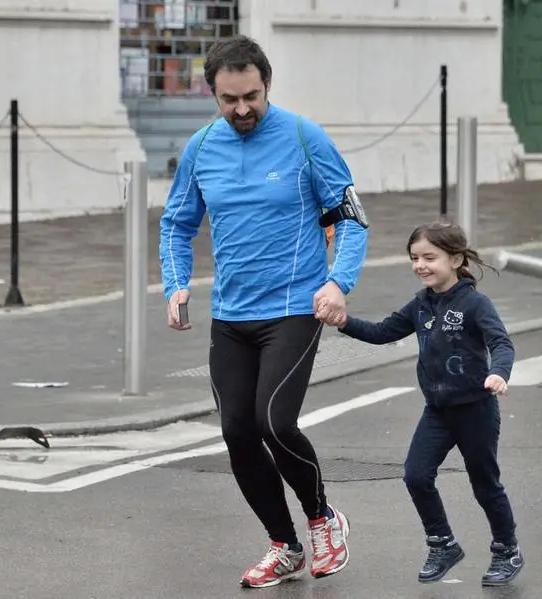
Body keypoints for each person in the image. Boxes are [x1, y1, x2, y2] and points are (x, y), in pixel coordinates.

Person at [158, 35, 369, 589]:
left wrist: (338, 282)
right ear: (213, 93)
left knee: (274, 421)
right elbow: (177, 224)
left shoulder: (304, 136)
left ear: (266, 85)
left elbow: (349, 215)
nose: (242, 109)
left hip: (295, 307)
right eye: (230, 100)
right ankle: (285, 545)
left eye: (251, 95)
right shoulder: (203, 147)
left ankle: (324, 518)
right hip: (231, 315)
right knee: (236, 430)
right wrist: (177, 284)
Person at [328, 222, 524, 586]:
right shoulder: (421, 304)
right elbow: (384, 331)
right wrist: (344, 322)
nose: (420, 265)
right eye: (414, 258)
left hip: (475, 409)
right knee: (416, 476)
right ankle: (443, 543)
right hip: (438, 410)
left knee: (485, 484)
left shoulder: (474, 303)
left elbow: (501, 344)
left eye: (429, 258)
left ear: (456, 259)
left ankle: (507, 549)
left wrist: (499, 373)